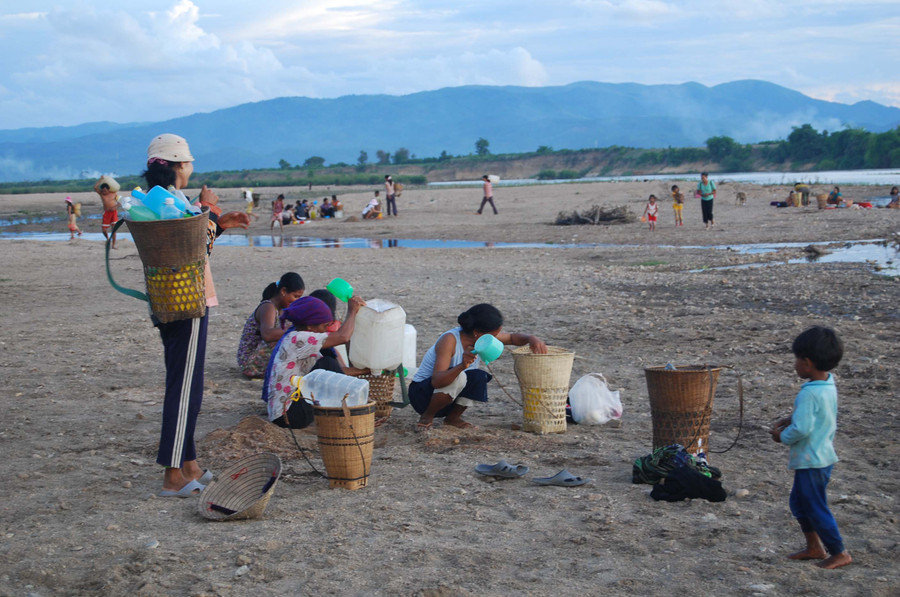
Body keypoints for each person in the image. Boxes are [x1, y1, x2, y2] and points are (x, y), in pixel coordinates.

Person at [142, 133, 250, 496]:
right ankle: (173, 476)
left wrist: (219, 222)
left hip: (174, 300)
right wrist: (210, 210)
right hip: (185, 302)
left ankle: (189, 464)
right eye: (188, 163)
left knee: (187, 382)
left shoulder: (167, 201)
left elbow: (190, 248)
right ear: (177, 165)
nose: (191, 168)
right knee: (185, 388)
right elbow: (195, 253)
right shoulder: (172, 202)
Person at [769, 326, 851, 570]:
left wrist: (781, 437)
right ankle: (815, 546)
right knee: (800, 503)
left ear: (807, 362)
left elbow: (803, 429)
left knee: (814, 507)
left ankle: (839, 552)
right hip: (821, 456)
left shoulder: (808, 394)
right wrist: (792, 418)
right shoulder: (827, 385)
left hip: (811, 460)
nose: (794, 364)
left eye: (796, 359)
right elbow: (814, 418)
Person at [410, 303, 547, 432]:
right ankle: (427, 417)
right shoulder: (449, 340)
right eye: (493, 336)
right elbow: (437, 381)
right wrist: (462, 366)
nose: (495, 340)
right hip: (423, 396)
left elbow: (511, 338)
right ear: (477, 332)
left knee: (478, 376)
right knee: (462, 376)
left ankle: (452, 418)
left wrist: (531, 338)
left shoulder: (481, 339)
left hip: (447, 396)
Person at [261, 295, 367, 429]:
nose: (326, 329)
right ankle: (348, 411)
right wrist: (352, 312)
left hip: (282, 411)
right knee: (328, 363)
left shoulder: (294, 333)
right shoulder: (299, 339)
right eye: (325, 326)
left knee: (326, 363)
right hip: (288, 416)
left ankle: (345, 407)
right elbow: (343, 336)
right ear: (310, 326)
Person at [236, 273, 306, 379]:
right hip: (250, 364)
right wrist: (296, 329)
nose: (296, 301)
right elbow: (267, 335)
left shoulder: (284, 309)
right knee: (287, 337)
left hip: (262, 358)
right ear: (283, 291)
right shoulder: (268, 307)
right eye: (295, 296)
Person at [94, 176, 120, 248]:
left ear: (108, 190)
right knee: (104, 229)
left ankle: (113, 245)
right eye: (102, 190)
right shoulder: (102, 194)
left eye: (105, 190)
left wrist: (115, 207)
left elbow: (120, 202)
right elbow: (95, 187)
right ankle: (108, 239)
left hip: (114, 212)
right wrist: (100, 179)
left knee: (114, 229)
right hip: (106, 213)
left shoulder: (114, 194)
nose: (104, 192)